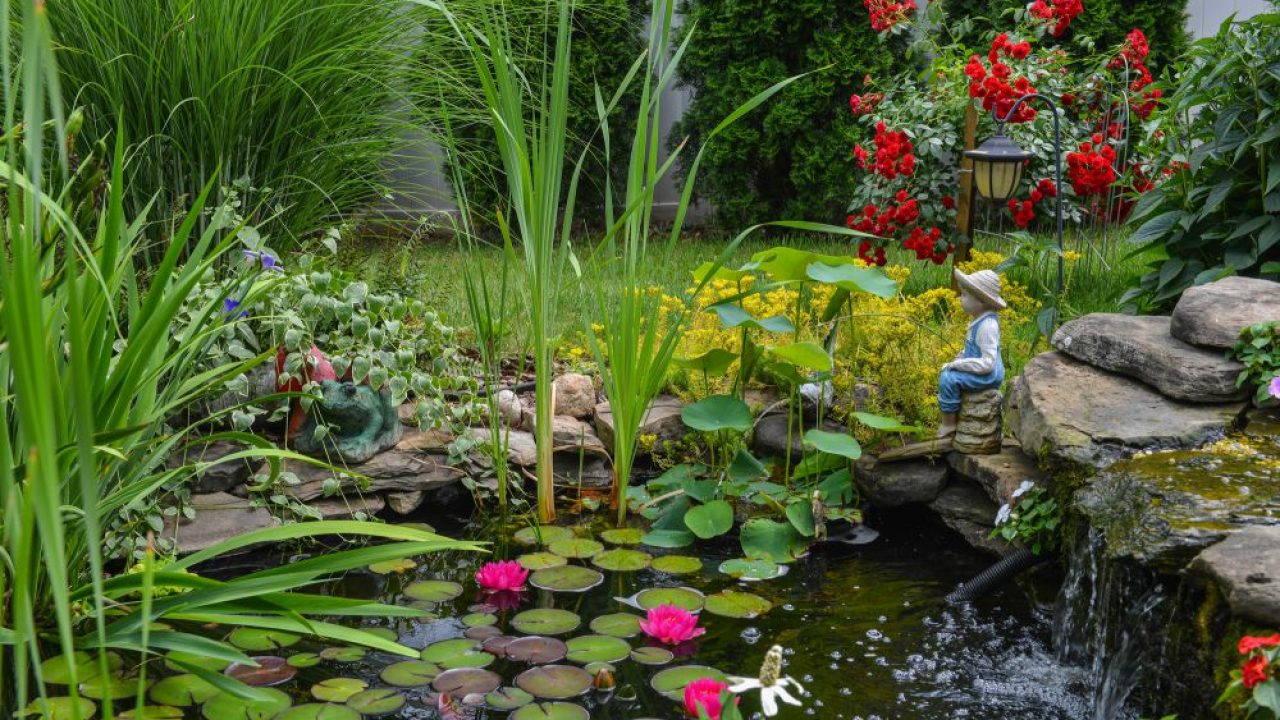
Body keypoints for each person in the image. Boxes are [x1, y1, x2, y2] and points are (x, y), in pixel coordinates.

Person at [937, 269, 1005, 437]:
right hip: (981, 367)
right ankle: (954, 416)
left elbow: (988, 364)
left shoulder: (987, 326)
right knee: (950, 371)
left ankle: (949, 424)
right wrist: (960, 357)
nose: (960, 298)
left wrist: (958, 365)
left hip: (989, 375)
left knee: (948, 378)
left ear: (981, 301)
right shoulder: (978, 320)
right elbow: (971, 349)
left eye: (965, 295)